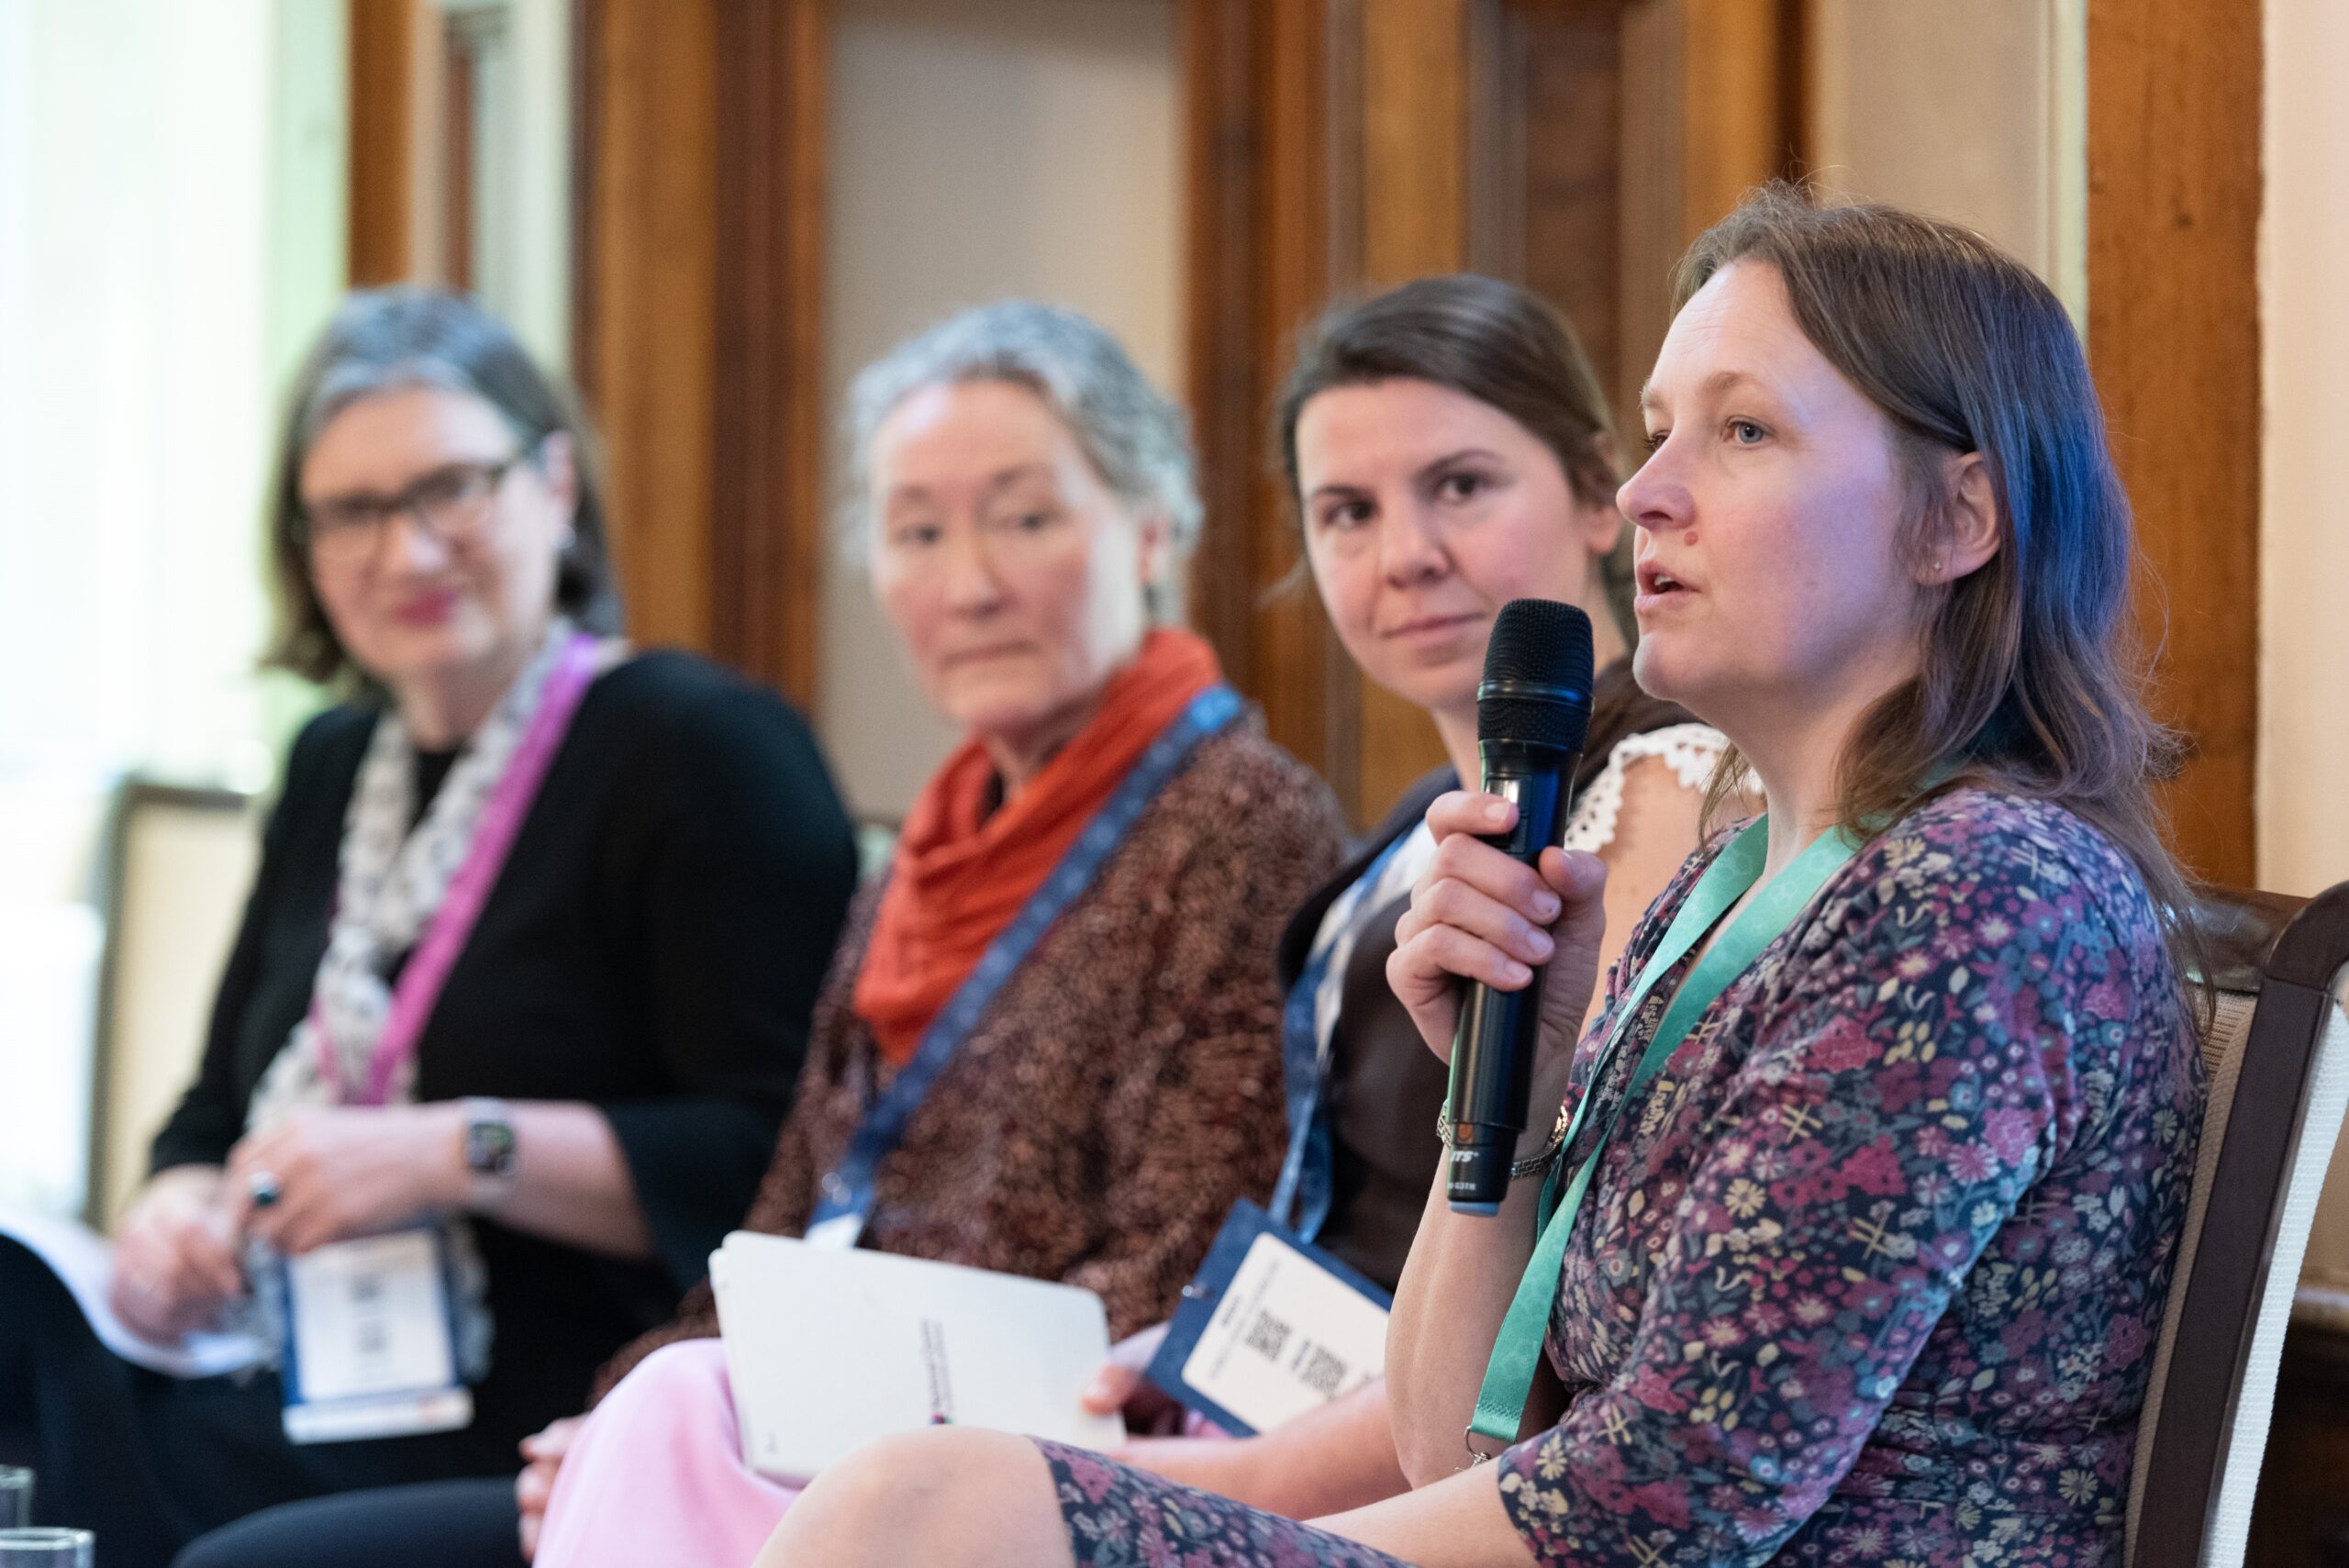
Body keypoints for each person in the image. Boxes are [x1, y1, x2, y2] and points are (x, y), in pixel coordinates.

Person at [753, 184, 2210, 1568]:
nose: (1646, 492)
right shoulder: (1732, 889)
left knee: (929, 1503)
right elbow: (1459, 1428)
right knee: (914, 1491)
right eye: (1653, 432)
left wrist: (1219, 1537)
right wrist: (1498, 1098)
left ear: (1960, 518)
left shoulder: (1977, 898)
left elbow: (1663, 1509)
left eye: (1745, 432)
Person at [177, 302, 1347, 1568]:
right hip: (802, 1436)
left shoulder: (1238, 820)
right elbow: (783, 1215)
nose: (969, 582)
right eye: (917, 531)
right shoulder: (929, 847)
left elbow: (1180, 1264)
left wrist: (804, 1414)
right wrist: (621, 1412)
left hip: (991, 1480)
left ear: (1154, 524)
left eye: (1024, 517)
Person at [0, 288, 859, 1568]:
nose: (404, 552)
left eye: (451, 487)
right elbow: (208, 1114)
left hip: (550, 1407)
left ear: (554, 485)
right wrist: (176, 1210)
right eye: (351, 510)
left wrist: (456, 1151)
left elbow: (774, 1164)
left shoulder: (703, 746)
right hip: (278, 1352)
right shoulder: (334, 762)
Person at [1079, 274, 1729, 1518]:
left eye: (1461, 487)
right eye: (1347, 512)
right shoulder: (1412, 822)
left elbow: (1570, 1290)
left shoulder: (1661, 781)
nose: (1407, 555)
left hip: (1445, 1479)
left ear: (1602, 492)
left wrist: (1247, 1477)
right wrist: (1201, 1356)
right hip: (1328, 1416)